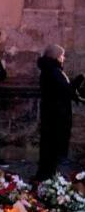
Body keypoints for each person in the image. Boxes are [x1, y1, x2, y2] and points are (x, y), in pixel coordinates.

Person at [35, 44, 84, 182]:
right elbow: (66, 90)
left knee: (49, 147)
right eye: (61, 55)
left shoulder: (50, 70)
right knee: (52, 147)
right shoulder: (54, 71)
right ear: (55, 56)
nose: (64, 58)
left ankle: (48, 174)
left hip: (52, 113)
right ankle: (47, 176)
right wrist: (80, 78)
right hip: (55, 115)